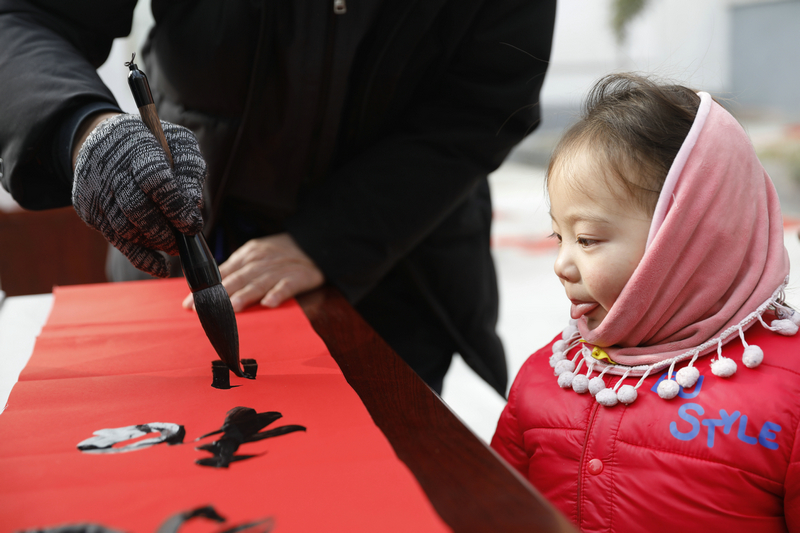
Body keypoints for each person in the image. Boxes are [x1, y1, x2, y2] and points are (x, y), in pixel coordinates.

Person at [0, 1, 557, 395]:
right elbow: (23, 16)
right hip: (177, 235)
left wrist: (330, 239)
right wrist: (80, 128)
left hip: (393, 261)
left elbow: (488, 97)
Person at [490, 73, 800, 531]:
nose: (562, 264)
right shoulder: (547, 376)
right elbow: (493, 509)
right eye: (560, 237)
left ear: (688, 239)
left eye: (589, 239)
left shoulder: (787, 394)